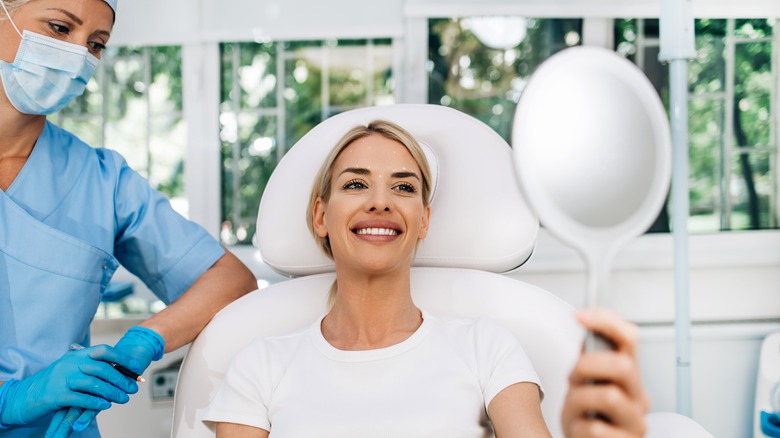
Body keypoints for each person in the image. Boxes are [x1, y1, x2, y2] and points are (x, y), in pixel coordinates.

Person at [202, 120, 650, 437]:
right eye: (356, 185)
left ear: (424, 220)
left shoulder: (485, 347)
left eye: (403, 187)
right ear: (321, 215)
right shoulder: (259, 366)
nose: (380, 202)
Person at [0, 0, 257, 436]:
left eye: (96, 44)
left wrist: (146, 339)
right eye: (60, 27)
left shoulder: (102, 181)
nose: (80, 55)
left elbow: (231, 280)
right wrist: (13, 400)